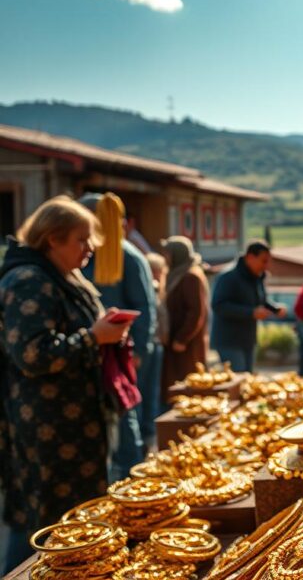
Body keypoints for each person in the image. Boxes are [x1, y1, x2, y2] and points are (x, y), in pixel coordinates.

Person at [0, 196, 131, 572]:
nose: (90, 248)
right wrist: (94, 338)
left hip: (72, 428)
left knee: (70, 525)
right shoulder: (28, 280)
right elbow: (32, 354)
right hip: (48, 432)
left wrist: (103, 334)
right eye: (82, 239)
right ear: (53, 239)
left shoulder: (59, 275)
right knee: (42, 530)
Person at [79, 193, 157, 480]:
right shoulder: (88, 254)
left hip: (124, 352)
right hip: (92, 348)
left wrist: (139, 351)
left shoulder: (129, 257)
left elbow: (145, 307)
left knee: (126, 416)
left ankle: (131, 477)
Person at [210, 240, 285, 372]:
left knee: (247, 379)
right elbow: (219, 305)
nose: (266, 266)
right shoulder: (228, 277)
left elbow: (260, 301)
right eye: (263, 261)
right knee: (239, 380)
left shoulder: (256, 276)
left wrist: (274, 309)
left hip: (247, 339)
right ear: (250, 257)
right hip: (230, 341)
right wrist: (251, 312)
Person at [161, 236, 209, 398]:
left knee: (187, 385)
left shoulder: (190, 277)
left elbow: (196, 312)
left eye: (168, 253)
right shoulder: (177, 274)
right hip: (176, 341)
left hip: (186, 346)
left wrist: (182, 338)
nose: (165, 258)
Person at [143, 251, 168, 441]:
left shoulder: (156, 287)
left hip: (156, 343)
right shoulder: (148, 287)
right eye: (157, 271)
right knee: (147, 391)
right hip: (150, 343)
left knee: (152, 391)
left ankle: (150, 431)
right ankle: (148, 432)